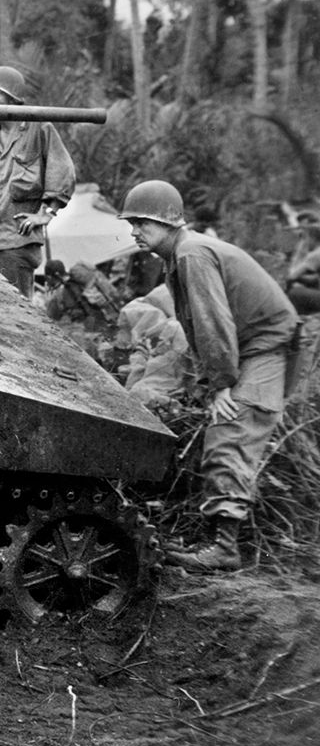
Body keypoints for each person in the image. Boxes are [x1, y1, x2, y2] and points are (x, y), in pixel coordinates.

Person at [120, 180, 300, 571]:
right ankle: (217, 533)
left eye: (142, 223)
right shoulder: (180, 254)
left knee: (230, 428)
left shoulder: (192, 255)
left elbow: (213, 324)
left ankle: (224, 548)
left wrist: (221, 385)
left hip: (266, 348)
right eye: (131, 223)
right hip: (255, 346)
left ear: (168, 222)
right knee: (224, 430)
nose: (134, 231)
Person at [0, 65, 76, 298]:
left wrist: (46, 214)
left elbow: (63, 171)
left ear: (12, 98)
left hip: (16, 240)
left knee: (15, 309)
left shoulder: (39, 130)